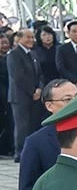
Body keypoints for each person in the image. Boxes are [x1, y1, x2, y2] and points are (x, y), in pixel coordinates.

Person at [19, 80, 77, 190]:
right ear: (50, 106)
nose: (75, 102)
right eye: (67, 99)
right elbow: (27, 188)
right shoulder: (36, 142)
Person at [8, 28, 43, 161]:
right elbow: (18, 76)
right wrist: (32, 91)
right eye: (27, 37)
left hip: (35, 95)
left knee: (33, 124)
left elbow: (40, 74)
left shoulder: (33, 54)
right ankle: (20, 152)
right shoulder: (14, 54)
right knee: (22, 125)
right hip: (20, 96)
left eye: (32, 37)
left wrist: (39, 88)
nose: (31, 40)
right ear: (20, 38)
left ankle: (31, 152)